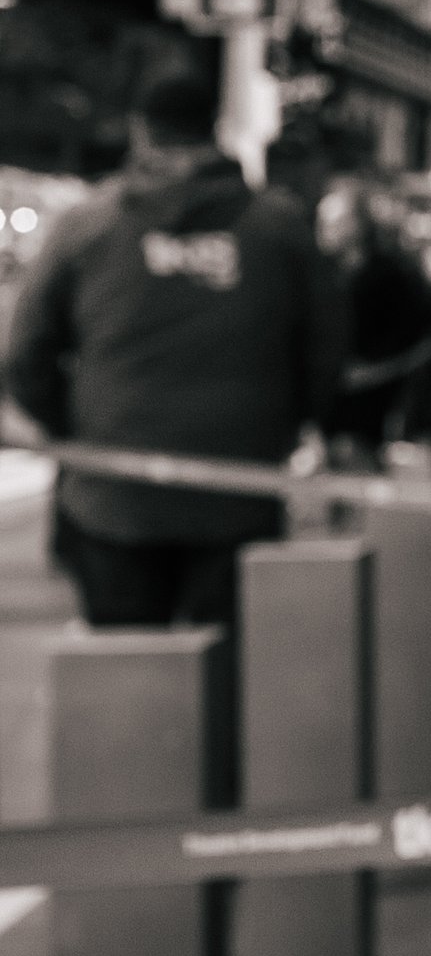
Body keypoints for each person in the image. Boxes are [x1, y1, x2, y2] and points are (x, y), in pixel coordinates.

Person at [5, 70, 346, 629]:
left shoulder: (89, 224)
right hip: (241, 483)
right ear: (215, 129)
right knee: (222, 669)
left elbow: (25, 355)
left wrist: (77, 431)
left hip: (114, 493)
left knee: (128, 671)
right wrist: (287, 425)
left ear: (141, 132)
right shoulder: (278, 226)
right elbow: (326, 349)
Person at [316, 181, 431, 466]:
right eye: (321, 221)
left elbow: (417, 338)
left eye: (333, 221)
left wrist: (373, 371)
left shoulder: (390, 274)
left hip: (378, 401)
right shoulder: (322, 274)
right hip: (333, 403)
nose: (323, 230)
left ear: (356, 225)